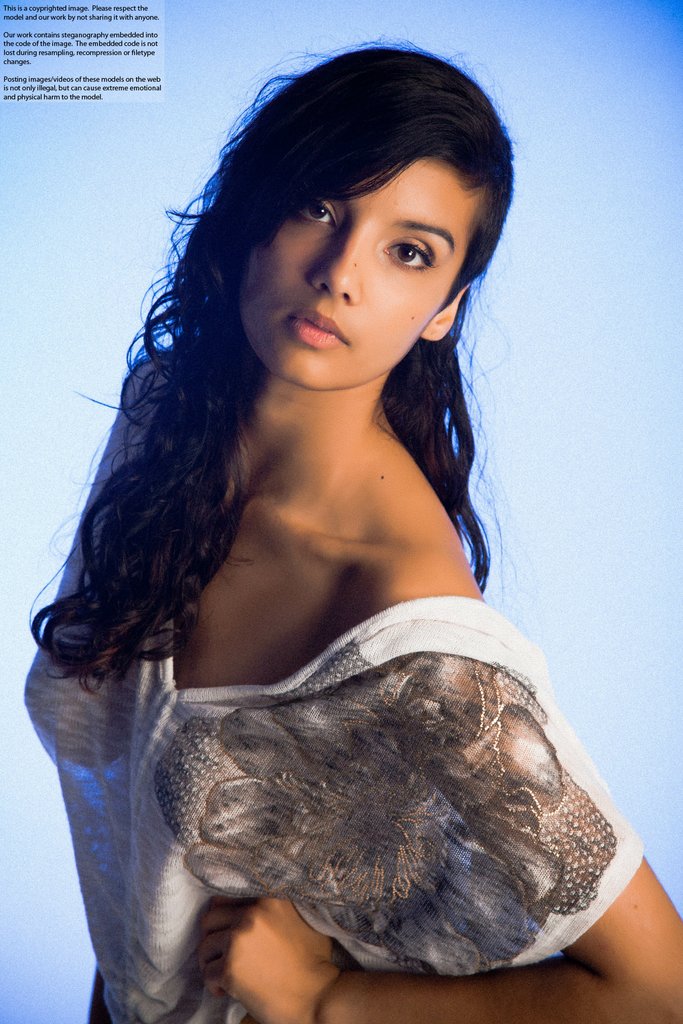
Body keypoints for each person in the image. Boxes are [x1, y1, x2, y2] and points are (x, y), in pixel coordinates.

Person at [26, 45, 683, 1024]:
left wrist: (329, 996)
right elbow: (136, 867)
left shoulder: (413, 633)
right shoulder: (164, 418)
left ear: (443, 309)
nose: (339, 275)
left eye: (407, 251)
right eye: (319, 208)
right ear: (251, 214)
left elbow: (657, 988)